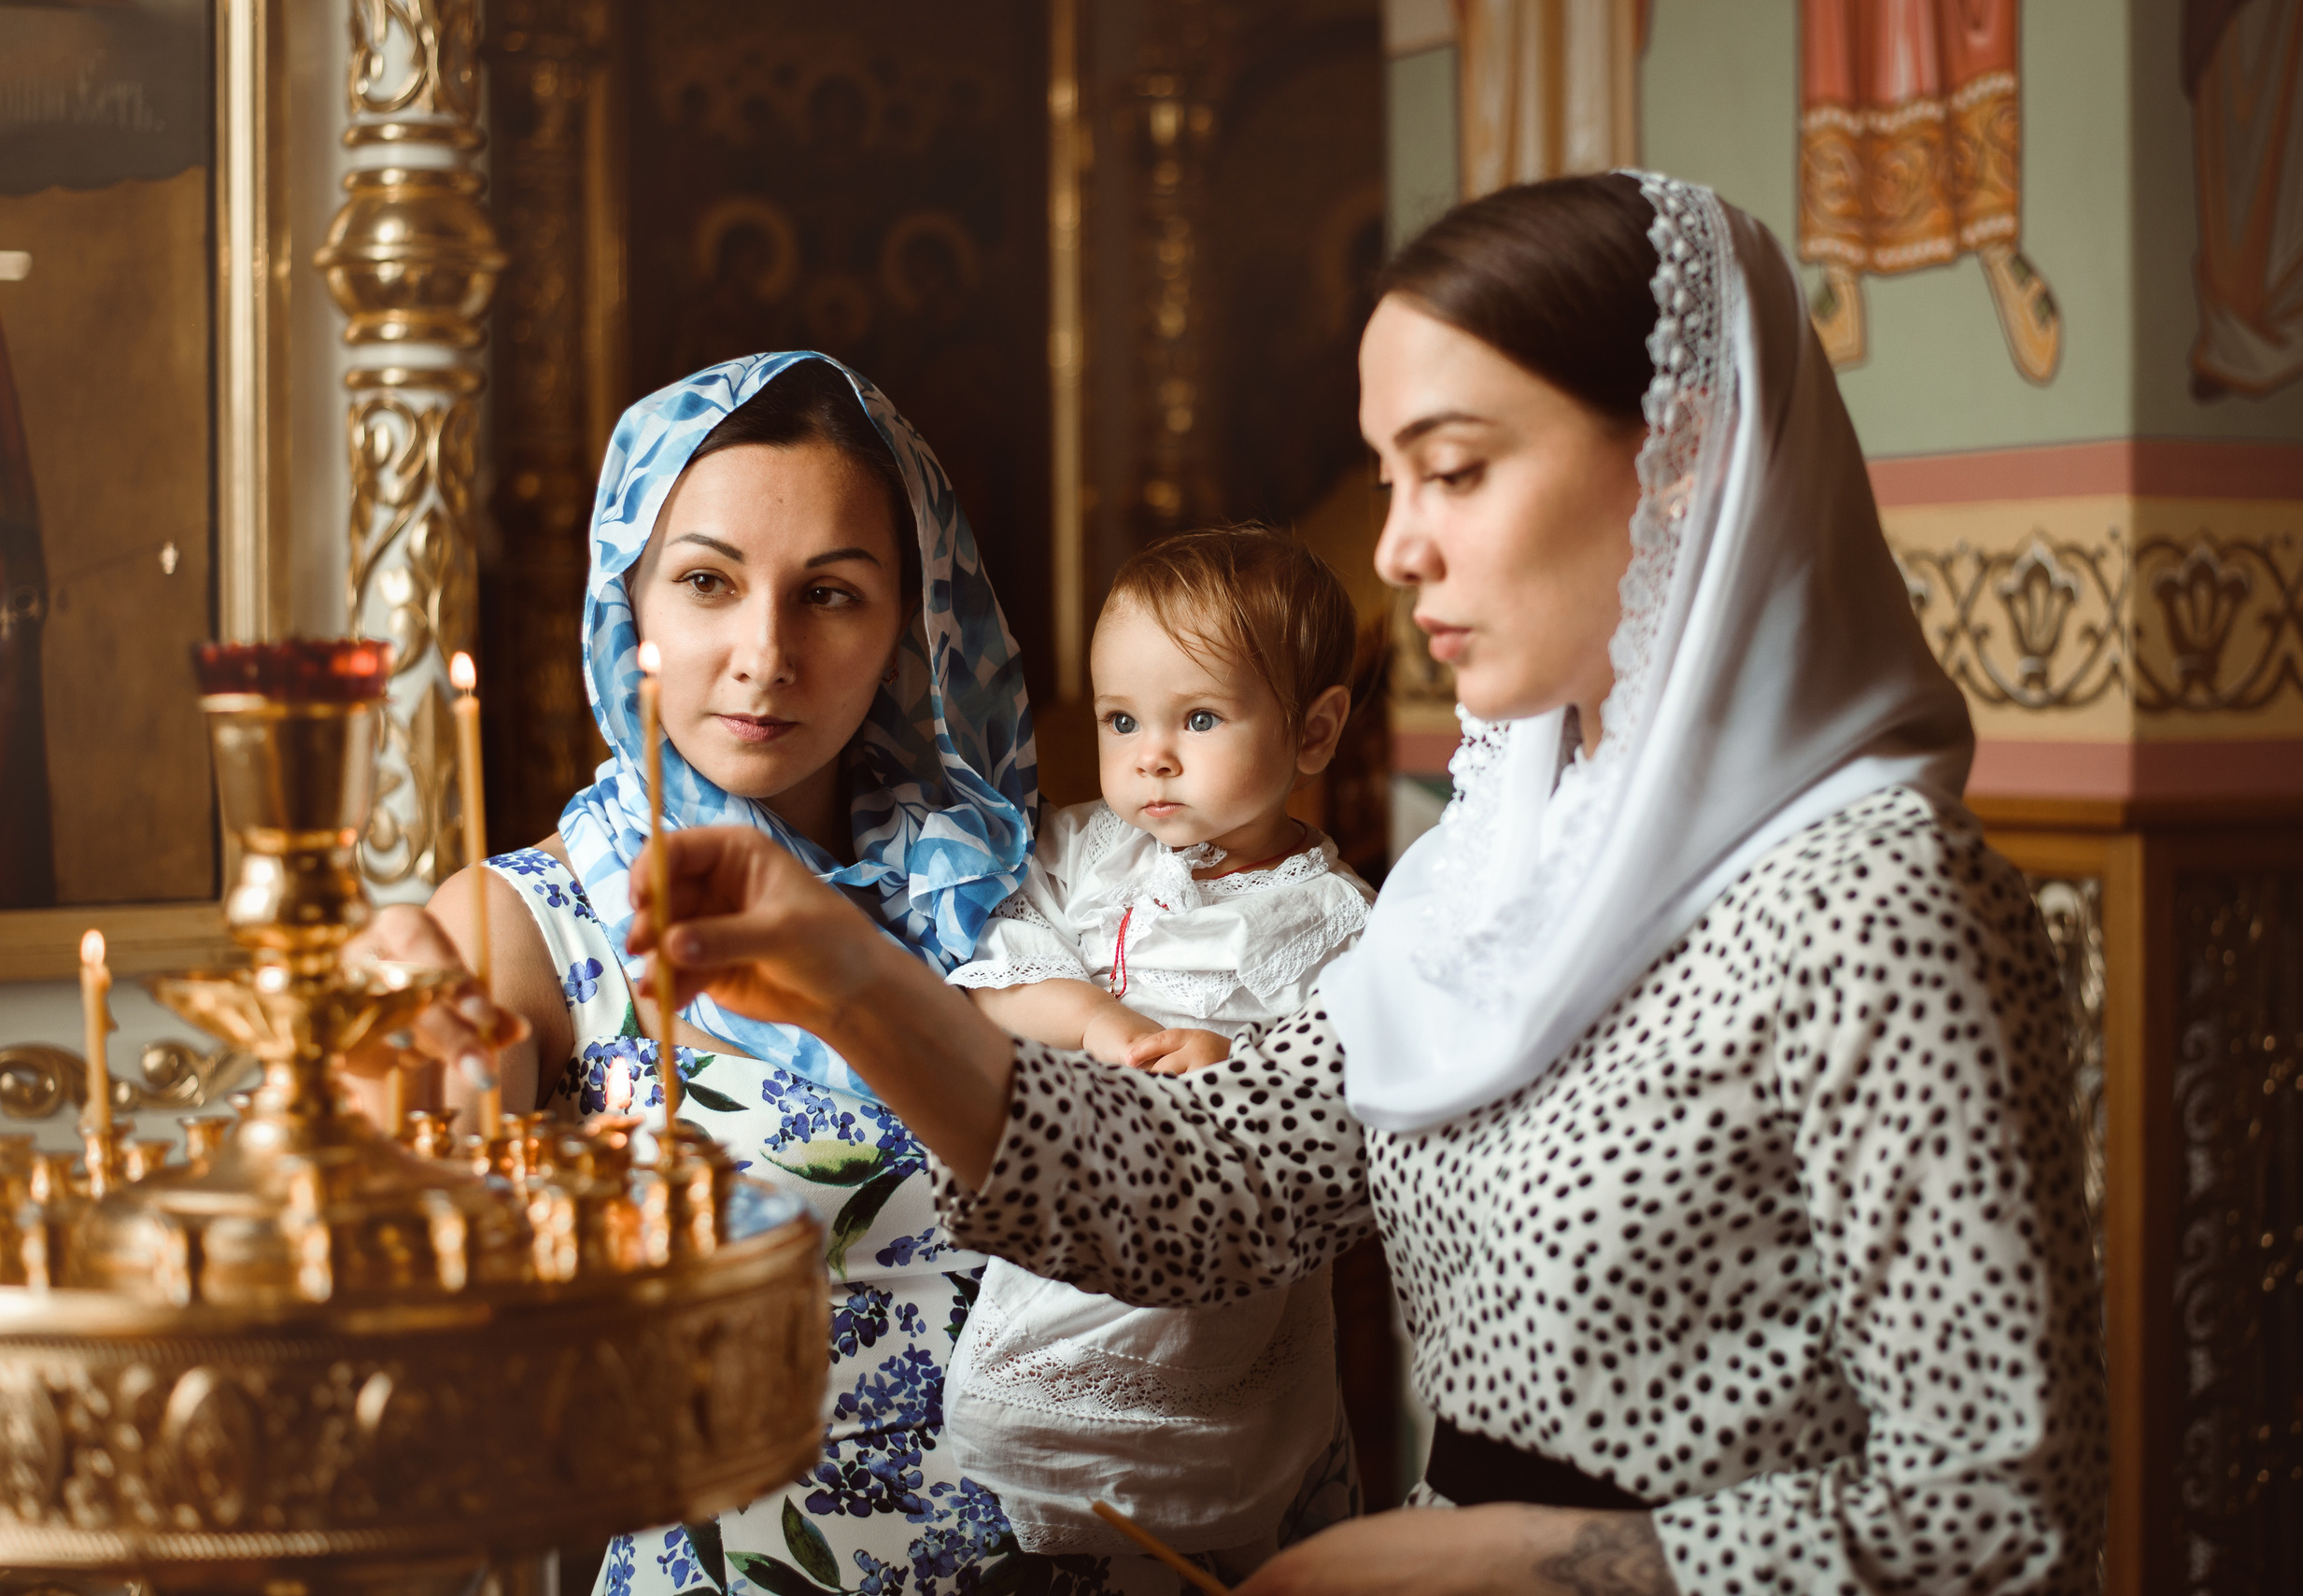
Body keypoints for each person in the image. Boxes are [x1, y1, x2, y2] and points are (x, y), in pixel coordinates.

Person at [606, 172, 2109, 1595]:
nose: (1397, 546)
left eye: (1454, 469)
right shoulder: (1481, 872)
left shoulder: (1877, 899)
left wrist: (1534, 1567)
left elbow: (2001, 1511)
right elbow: (1203, 1190)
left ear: (1681, 452)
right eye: (1392, 475)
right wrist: (861, 981)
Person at [360, 351, 1109, 1595]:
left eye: (830, 594)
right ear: (630, 604)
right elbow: (420, 1310)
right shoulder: (529, 928)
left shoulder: (1013, 886)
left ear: (912, 624)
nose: (766, 652)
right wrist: (377, 1063)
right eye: (707, 582)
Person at [940, 528, 1373, 1569]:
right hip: (1058, 1238)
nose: (1151, 755)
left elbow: (1339, 1122)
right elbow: (992, 973)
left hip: (1201, 1272)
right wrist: (1098, 1021)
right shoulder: (1087, 851)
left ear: (1314, 732)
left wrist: (1225, 1060)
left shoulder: (1334, 922)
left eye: (1200, 717)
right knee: (1028, 1461)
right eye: (1121, 718)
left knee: (1195, 1486)